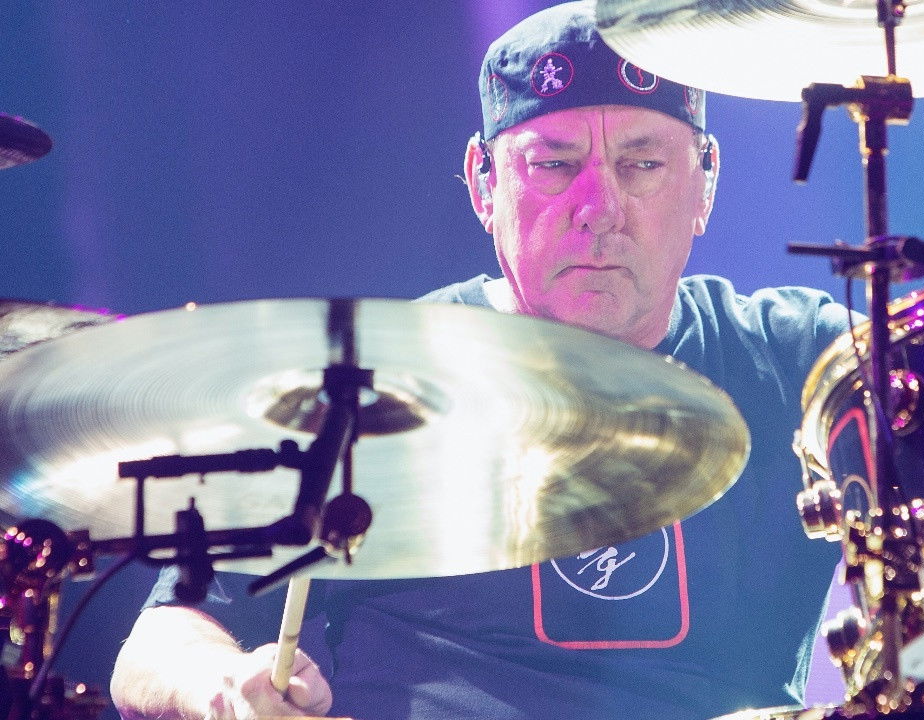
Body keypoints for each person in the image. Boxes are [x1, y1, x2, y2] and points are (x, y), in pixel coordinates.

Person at [110, 3, 851, 718]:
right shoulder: (371, 381)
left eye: (643, 163)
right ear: (483, 183)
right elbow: (161, 641)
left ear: (706, 183)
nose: (600, 207)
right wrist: (225, 688)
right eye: (554, 164)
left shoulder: (801, 357)